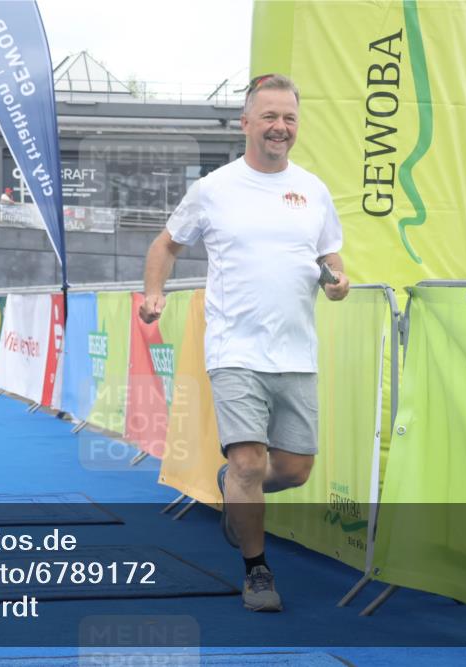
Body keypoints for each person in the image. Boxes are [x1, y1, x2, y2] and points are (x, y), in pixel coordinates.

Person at [139, 73, 350, 612]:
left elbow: (330, 257)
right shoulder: (214, 189)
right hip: (233, 348)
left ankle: (231, 484)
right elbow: (167, 244)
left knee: (295, 470)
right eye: (270, 117)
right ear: (246, 123)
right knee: (251, 461)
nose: (280, 127)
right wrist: (154, 291)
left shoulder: (313, 191)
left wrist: (338, 280)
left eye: (289, 118)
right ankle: (257, 572)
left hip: (296, 352)